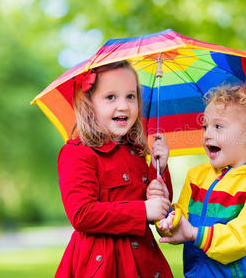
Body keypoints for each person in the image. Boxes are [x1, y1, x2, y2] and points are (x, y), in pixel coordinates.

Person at [55, 60, 174, 278]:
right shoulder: (77, 153)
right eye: (111, 97)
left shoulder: (137, 152)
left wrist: (160, 168)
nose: (123, 106)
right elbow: (82, 214)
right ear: (89, 103)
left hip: (144, 261)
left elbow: (158, 206)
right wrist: (143, 211)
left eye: (131, 96)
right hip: (103, 264)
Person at [154, 84, 246, 277]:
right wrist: (167, 213)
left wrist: (195, 234)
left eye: (218, 126)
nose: (207, 134)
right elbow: (183, 224)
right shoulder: (197, 176)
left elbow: (242, 238)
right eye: (205, 126)